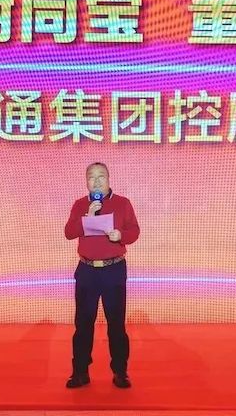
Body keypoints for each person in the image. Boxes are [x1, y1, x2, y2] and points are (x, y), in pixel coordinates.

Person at [63, 162, 140, 389]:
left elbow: (134, 231)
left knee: (116, 324)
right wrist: (87, 216)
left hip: (113, 270)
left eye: (101, 176)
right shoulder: (80, 205)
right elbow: (69, 233)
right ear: (86, 181)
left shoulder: (123, 203)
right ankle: (80, 372)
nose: (96, 181)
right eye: (91, 177)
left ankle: (120, 372)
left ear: (108, 179)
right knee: (83, 324)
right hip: (87, 271)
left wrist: (121, 235)